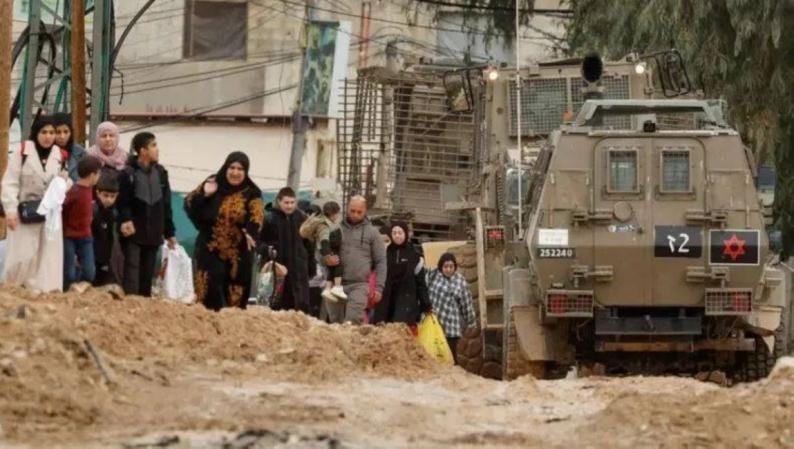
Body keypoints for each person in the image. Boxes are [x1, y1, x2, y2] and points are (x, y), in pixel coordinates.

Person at [184, 152, 264, 310]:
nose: (235, 172)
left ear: (246, 171)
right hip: (210, 248)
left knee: (235, 299)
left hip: (238, 253)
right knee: (210, 291)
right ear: (225, 168)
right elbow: (190, 204)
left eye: (240, 169)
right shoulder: (213, 182)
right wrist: (205, 195)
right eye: (232, 167)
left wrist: (251, 232)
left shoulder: (252, 192)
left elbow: (257, 216)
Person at [1, 115, 69, 292]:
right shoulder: (23, 151)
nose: (48, 136)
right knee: (21, 256)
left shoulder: (59, 155)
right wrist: (10, 210)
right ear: (36, 133)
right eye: (44, 132)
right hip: (25, 212)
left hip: (50, 214)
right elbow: (10, 182)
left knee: (48, 257)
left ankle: (46, 293)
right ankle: (12, 291)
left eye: (51, 132)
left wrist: (61, 186)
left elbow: (65, 180)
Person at [117, 131, 176, 296]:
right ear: (142, 151)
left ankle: (144, 307)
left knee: (147, 275)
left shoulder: (161, 174)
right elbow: (122, 202)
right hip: (133, 235)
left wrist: (169, 233)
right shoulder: (127, 174)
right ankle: (130, 306)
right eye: (153, 145)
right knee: (132, 274)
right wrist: (126, 219)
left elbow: (166, 205)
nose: (157, 149)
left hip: (154, 235)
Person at [324, 195, 386, 324]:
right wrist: (326, 259)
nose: (355, 215)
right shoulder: (335, 228)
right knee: (335, 323)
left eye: (359, 212)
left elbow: (381, 261)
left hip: (359, 285)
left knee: (353, 321)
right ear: (347, 208)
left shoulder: (373, 233)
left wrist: (379, 288)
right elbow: (321, 251)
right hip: (335, 284)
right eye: (352, 211)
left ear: (365, 211)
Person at [260, 187, 313, 313]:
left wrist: (311, 265)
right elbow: (259, 241)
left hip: (298, 271)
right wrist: (267, 250)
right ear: (279, 202)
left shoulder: (302, 218)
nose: (289, 206)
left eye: (292, 202)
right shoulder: (269, 218)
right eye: (286, 202)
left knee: (300, 308)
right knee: (276, 307)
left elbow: (309, 243)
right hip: (278, 271)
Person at [371, 223, 432, 330]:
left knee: (402, 334)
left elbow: (421, 284)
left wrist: (426, 305)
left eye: (400, 233)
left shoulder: (415, 256)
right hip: (386, 302)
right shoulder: (384, 254)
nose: (397, 236)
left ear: (406, 234)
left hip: (405, 302)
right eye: (394, 233)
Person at [426, 252, 476, 363]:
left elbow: (466, 303)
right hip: (435, 323)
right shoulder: (433, 276)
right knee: (435, 353)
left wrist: (471, 321)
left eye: (451, 267)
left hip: (451, 326)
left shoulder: (460, 281)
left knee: (451, 355)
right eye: (445, 266)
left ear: (455, 267)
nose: (448, 270)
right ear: (441, 266)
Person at [62, 156, 103, 289]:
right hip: (70, 236)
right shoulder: (74, 191)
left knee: (89, 272)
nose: (99, 177)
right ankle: (68, 292)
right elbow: (64, 210)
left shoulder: (91, 189)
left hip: (85, 236)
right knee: (69, 273)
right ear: (92, 175)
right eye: (98, 173)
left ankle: (78, 288)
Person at [299, 200, 347, 302]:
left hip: (323, 257)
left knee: (332, 268)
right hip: (324, 255)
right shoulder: (324, 225)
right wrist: (328, 255)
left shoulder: (328, 224)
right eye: (338, 213)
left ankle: (328, 289)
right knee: (338, 264)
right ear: (333, 214)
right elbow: (324, 241)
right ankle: (337, 287)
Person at [92, 173, 123, 287]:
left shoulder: (114, 214)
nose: (109, 199)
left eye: (112, 196)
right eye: (105, 195)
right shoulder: (93, 211)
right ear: (98, 193)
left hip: (106, 257)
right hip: (92, 256)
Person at [52, 112, 86, 182]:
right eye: (58, 132)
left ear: (71, 132)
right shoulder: (45, 152)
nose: (62, 136)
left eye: (66, 132)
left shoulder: (80, 153)